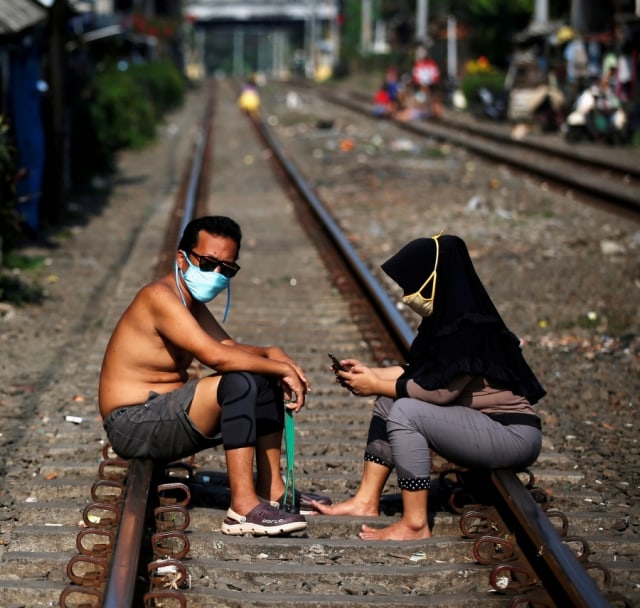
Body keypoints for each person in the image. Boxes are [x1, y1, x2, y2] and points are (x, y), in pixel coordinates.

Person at [99, 215, 330, 536]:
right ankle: (242, 509)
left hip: (162, 416)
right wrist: (278, 366)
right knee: (238, 381)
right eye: (207, 264)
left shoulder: (188, 301)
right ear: (182, 259)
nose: (217, 274)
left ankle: (274, 492)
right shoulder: (158, 297)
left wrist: (270, 352)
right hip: (132, 424)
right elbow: (214, 356)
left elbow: (229, 346)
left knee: (258, 377)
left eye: (227, 269)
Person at [313, 233, 545, 541]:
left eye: (412, 283)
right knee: (388, 401)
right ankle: (366, 501)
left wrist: (373, 385)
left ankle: (415, 524)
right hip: (486, 425)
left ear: (434, 277)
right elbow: (420, 373)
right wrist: (370, 374)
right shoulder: (448, 318)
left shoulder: (470, 326)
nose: (408, 293)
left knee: (406, 411)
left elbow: (439, 392)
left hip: (510, 433)